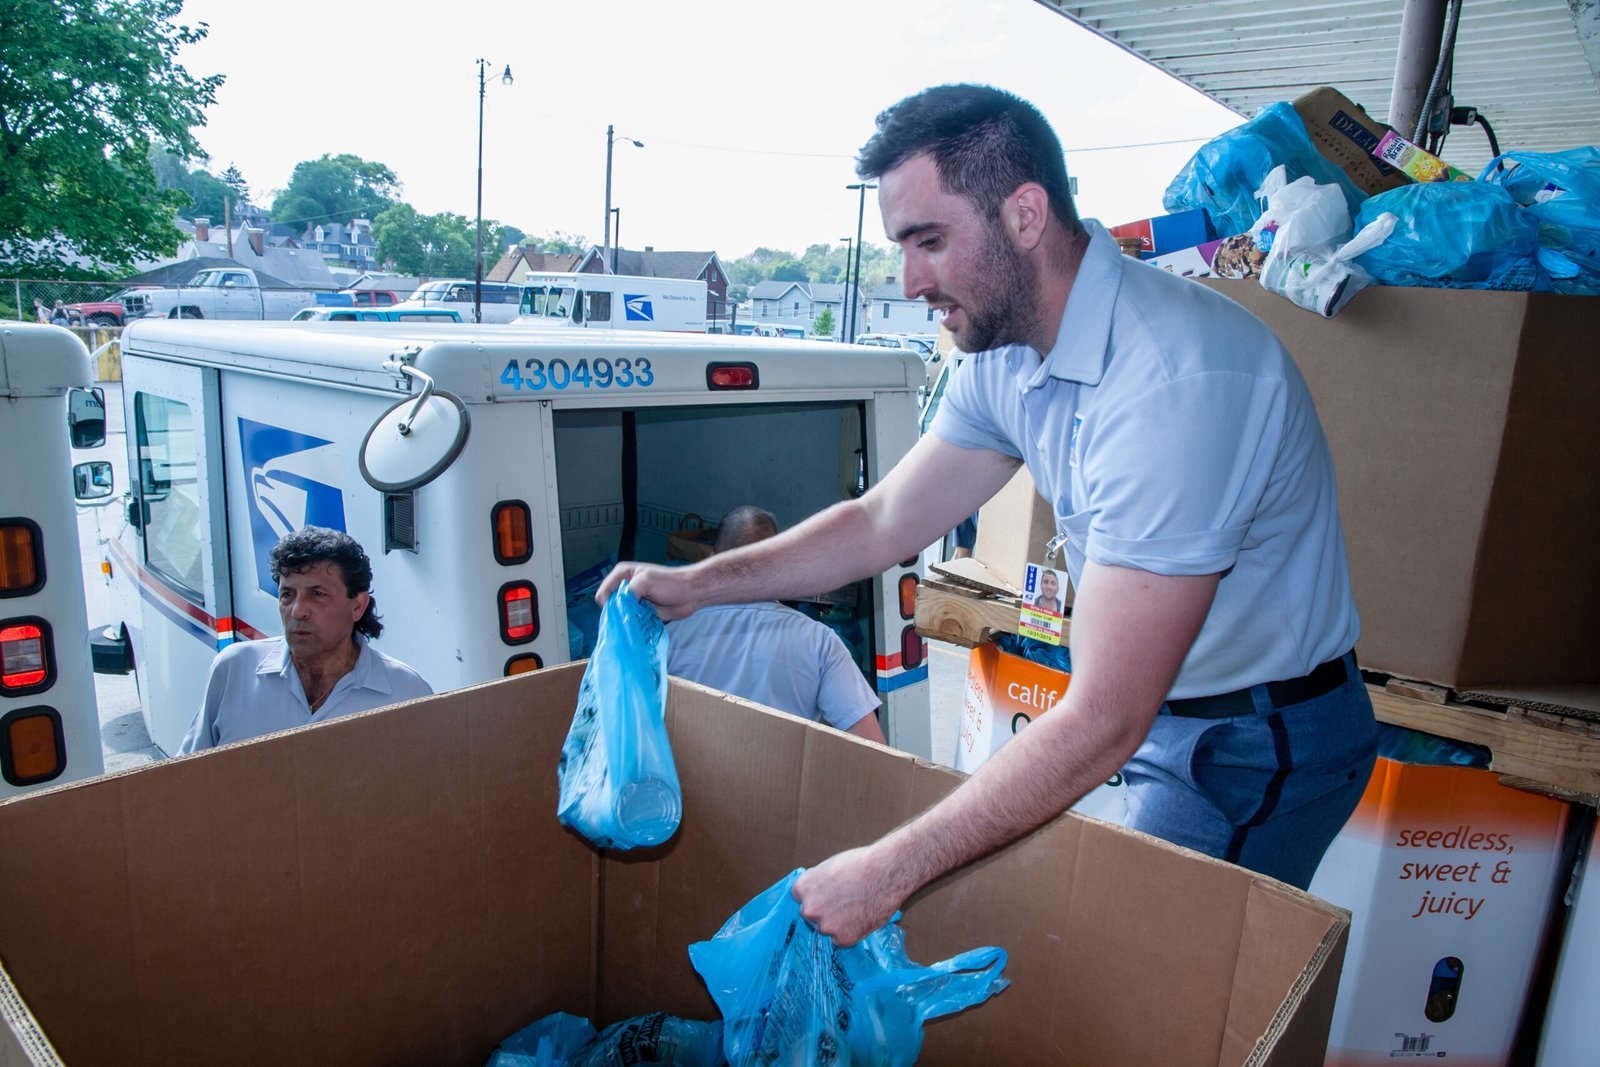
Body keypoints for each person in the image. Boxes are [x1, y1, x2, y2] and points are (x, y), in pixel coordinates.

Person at [599, 84, 1375, 944]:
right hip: (1160, 710)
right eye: (901, 245)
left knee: (1141, 985)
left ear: (1026, 215)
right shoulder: (1006, 354)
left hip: (1254, 738)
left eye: (929, 240)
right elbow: (881, 519)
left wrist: (885, 871)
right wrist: (697, 584)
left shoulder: (1173, 383)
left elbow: (1104, 718)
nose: (910, 280)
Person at [177, 527, 432, 753]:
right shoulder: (234, 668)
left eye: (318, 594)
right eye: (287, 594)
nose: (298, 611)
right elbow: (184, 778)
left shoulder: (404, 691)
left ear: (357, 606)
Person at [666, 506, 886, 743]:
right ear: (779, 565)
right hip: (785, 779)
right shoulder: (820, 642)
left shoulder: (670, 636)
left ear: (711, 560)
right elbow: (871, 744)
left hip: (692, 778)